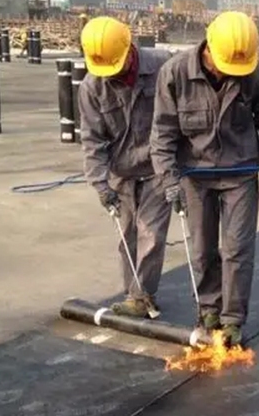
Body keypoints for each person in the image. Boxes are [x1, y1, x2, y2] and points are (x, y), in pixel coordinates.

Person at [150, 11, 259, 347]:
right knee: (202, 250)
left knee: (237, 249)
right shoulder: (175, 73)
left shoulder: (251, 71)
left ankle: (232, 320)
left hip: (240, 173)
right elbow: (163, 132)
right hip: (194, 176)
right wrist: (168, 178)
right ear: (209, 48)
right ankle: (209, 309)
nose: (232, 73)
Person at [79, 16, 173, 318]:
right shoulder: (93, 86)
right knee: (127, 237)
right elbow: (92, 139)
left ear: (130, 47)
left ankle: (141, 296)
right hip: (121, 173)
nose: (112, 73)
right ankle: (134, 294)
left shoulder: (162, 66)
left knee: (152, 234)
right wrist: (100, 183)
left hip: (158, 167)